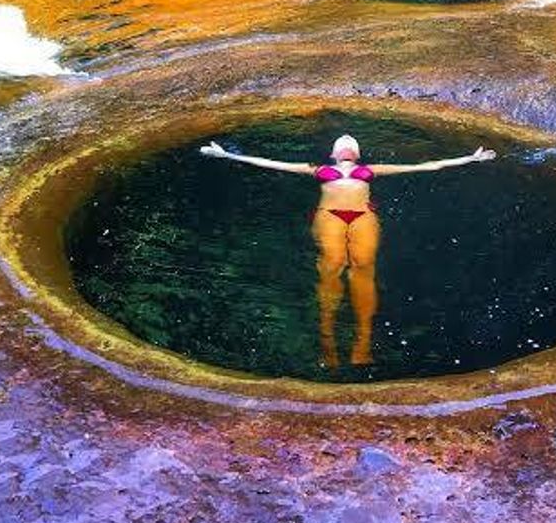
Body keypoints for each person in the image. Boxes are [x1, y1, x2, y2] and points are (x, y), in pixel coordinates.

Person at [200, 133, 496, 369]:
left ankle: (363, 342)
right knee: (332, 265)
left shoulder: (371, 171)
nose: (346, 144)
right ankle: (327, 340)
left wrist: (470, 158)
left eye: (350, 144)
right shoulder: (317, 170)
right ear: (332, 154)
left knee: (364, 266)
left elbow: (426, 166)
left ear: (357, 154)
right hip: (329, 215)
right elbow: (269, 162)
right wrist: (226, 154)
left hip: (363, 216)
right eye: (341, 144)